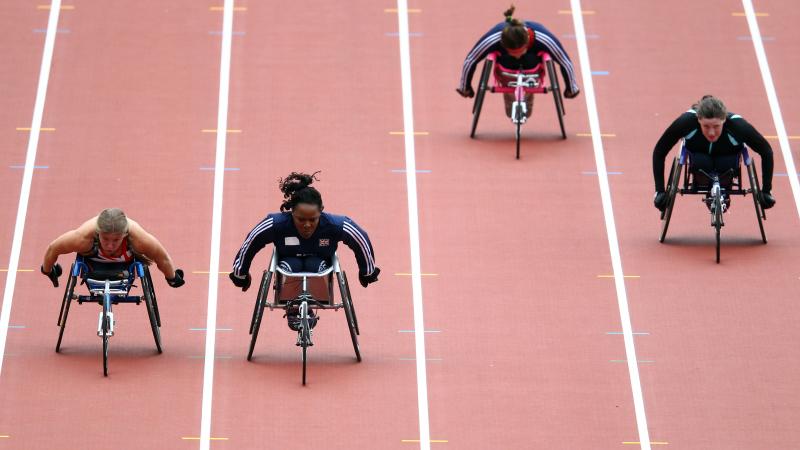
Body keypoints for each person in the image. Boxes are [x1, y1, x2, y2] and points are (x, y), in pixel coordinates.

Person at [229, 172, 379, 330]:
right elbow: (252, 241)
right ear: (291, 212)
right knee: (290, 266)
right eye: (301, 219)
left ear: (321, 211)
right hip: (288, 263)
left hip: (320, 263)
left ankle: (309, 305)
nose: (307, 225)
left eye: (313, 219)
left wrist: (367, 272)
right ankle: (293, 307)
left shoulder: (335, 225)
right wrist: (241, 274)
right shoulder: (276, 224)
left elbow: (360, 239)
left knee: (316, 266)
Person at [652, 95, 775, 212]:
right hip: (699, 161)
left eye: (716, 126)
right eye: (706, 126)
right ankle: (707, 187)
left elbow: (766, 152)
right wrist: (660, 191)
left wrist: (766, 191)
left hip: (728, 161)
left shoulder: (738, 126)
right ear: (698, 119)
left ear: (724, 120)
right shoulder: (686, 122)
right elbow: (659, 151)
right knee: (702, 162)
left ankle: (724, 190)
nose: (711, 132)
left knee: (725, 163)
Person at [457, 5, 580, 119]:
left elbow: (565, 61)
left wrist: (571, 88)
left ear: (527, 43)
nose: (516, 56)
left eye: (519, 51)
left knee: (529, 61)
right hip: (505, 70)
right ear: (503, 44)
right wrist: (465, 87)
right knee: (510, 110)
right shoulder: (494, 37)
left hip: (532, 71)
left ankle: (527, 95)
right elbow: (471, 59)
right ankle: (511, 93)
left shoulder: (543, 38)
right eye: (512, 52)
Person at [40, 208, 185, 288]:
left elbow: (162, 258)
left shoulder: (139, 239)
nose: (110, 245)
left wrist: (172, 277)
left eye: (116, 240)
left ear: (125, 234)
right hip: (92, 261)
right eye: (105, 239)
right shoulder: (83, 238)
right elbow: (53, 248)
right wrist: (48, 270)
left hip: (125, 265)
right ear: (98, 233)